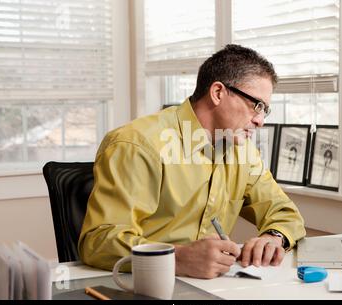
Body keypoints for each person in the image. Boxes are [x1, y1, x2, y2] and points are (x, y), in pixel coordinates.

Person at [78, 44, 306, 279]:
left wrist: (273, 238)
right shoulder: (137, 144)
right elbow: (98, 240)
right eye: (256, 105)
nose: (260, 121)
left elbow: (285, 213)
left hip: (213, 287)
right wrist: (177, 258)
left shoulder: (242, 152)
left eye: (265, 110)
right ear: (218, 92)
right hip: (139, 284)